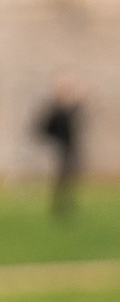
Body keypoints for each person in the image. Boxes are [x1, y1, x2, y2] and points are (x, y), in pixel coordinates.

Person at [36, 78, 85, 218]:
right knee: (60, 179)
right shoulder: (54, 110)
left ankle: (67, 205)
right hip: (60, 149)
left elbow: (74, 117)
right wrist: (55, 141)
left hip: (70, 148)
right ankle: (58, 207)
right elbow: (43, 128)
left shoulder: (67, 109)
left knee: (70, 178)